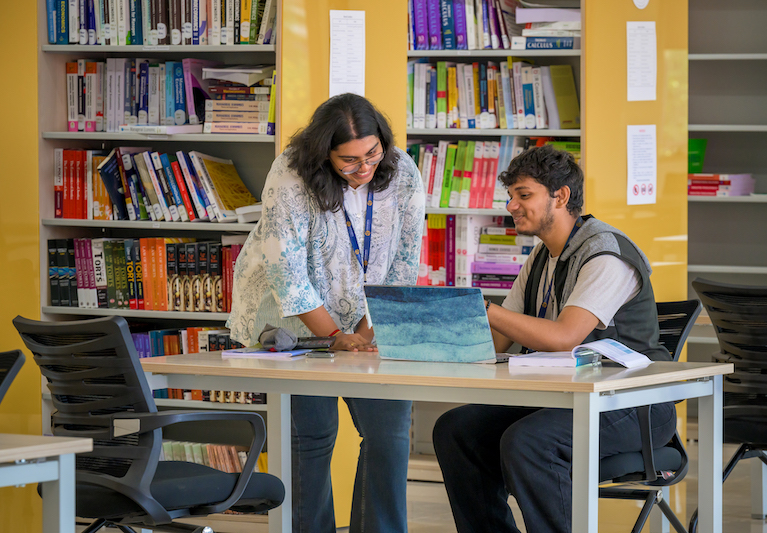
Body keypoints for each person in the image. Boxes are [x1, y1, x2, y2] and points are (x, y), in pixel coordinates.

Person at [432, 144, 676, 533]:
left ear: (560, 196)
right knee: (456, 430)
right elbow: (496, 340)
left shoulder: (606, 254)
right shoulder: (542, 256)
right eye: (510, 196)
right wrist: (428, 332)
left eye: (524, 195)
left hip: (634, 404)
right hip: (565, 396)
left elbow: (564, 338)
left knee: (528, 443)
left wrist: (485, 309)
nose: (512, 205)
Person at [227, 93, 425, 533]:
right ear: (324, 155)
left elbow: (405, 260)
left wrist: (368, 332)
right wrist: (336, 335)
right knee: (311, 438)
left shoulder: (403, 170)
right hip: (297, 321)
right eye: (349, 161)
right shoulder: (291, 175)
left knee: (389, 434)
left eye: (371, 153)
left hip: (366, 316)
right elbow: (287, 270)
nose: (364, 168)